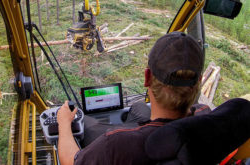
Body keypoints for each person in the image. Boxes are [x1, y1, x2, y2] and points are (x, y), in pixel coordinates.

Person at [57, 31, 205, 165]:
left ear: (147, 78)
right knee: (139, 106)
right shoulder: (206, 116)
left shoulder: (115, 145)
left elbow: (70, 161)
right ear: (199, 82)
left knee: (87, 121)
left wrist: (63, 122)